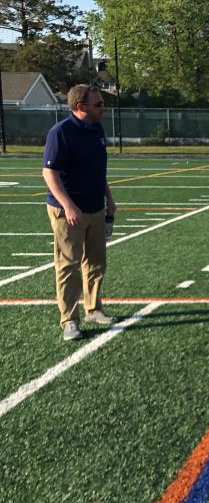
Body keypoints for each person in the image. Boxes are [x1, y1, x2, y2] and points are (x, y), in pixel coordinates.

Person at [41, 84, 117, 341]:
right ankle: (69, 320)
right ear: (80, 107)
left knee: (96, 262)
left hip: (95, 206)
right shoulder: (61, 132)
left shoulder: (97, 129)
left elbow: (97, 170)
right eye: (98, 105)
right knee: (68, 265)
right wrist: (68, 205)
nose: (103, 108)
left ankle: (93, 309)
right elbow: (49, 173)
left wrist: (108, 197)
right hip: (68, 211)